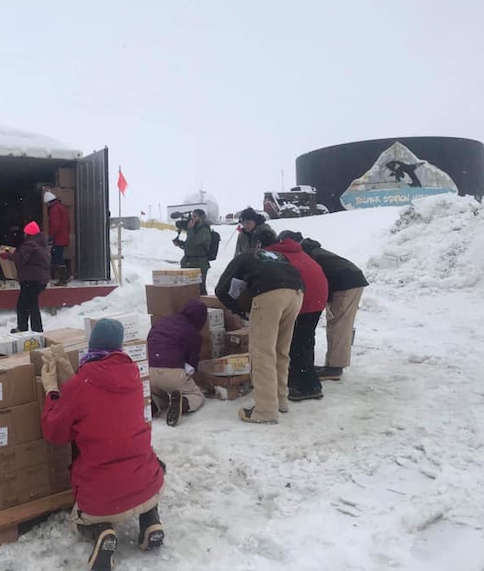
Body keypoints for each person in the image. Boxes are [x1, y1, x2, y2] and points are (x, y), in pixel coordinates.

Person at [41, 319, 166, 571]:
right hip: (147, 482)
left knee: (82, 516)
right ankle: (151, 519)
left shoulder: (82, 383)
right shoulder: (133, 376)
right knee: (143, 464)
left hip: (103, 494)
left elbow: (54, 431)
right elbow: (100, 399)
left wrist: (51, 391)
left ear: (93, 344)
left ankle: (101, 531)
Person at [215, 229, 304, 423]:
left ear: (255, 243)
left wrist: (239, 310)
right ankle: (280, 400)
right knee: (281, 350)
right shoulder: (278, 256)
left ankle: (265, 411)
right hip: (296, 293)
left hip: (270, 294)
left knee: (262, 353)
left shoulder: (247, 255)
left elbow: (221, 289)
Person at [282, 231, 369, 381]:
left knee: (339, 325)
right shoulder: (311, 250)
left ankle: (334, 368)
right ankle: (333, 364)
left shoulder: (305, 253)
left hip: (347, 283)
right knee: (336, 324)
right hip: (345, 281)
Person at [265, 233, 328, 401]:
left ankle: (304, 386)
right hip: (318, 296)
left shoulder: (271, 256)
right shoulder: (295, 251)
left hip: (303, 298)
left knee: (295, 342)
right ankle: (309, 381)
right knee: (306, 339)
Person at [146, 299, 207, 427]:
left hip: (148, 370)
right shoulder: (192, 333)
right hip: (171, 373)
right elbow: (192, 363)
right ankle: (184, 402)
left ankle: (154, 404)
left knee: (159, 393)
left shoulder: (162, 322)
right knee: (196, 395)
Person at [0, 221, 50, 332]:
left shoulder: (29, 245)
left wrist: (7, 255)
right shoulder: (41, 245)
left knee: (24, 305)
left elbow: (20, 258)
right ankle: (34, 329)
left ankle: (26, 328)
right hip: (40, 279)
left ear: (28, 234)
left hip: (31, 279)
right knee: (31, 304)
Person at [172, 209, 212, 295]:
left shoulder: (204, 230)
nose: (192, 219)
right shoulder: (194, 229)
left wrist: (190, 229)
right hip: (188, 262)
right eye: (192, 216)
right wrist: (180, 244)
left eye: (195, 216)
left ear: (201, 218)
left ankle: (202, 306)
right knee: (187, 289)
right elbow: (189, 246)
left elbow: (193, 242)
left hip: (199, 264)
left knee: (200, 289)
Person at [44, 190, 70, 286]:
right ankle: (65, 275)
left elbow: (55, 225)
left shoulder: (54, 209)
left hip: (58, 238)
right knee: (58, 256)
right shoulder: (61, 207)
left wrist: (51, 236)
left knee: (57, 257)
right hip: (63, 236)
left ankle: (63, 278)